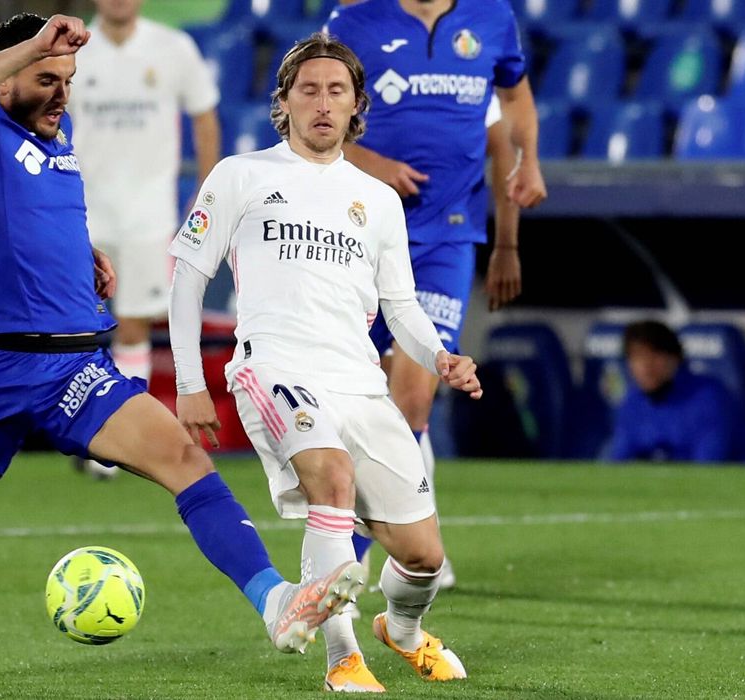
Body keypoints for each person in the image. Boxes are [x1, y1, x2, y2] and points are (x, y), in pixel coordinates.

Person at [0, 14, 366, 688]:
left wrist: (85, 255)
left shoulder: (60, 134)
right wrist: (31, 48)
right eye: (46, 79)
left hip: (76, 366)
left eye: (68, 81)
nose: (61, 94)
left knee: (184, 457)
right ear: (6, 76)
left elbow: (36, 211)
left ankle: (275, 601)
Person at [170, 34, 482, 693]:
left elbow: (401, 308)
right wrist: (192, 384)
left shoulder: (379, 200)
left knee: (423, 557)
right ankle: (342, 659)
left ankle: (399, 630)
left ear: (355, 107)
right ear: (282, 103)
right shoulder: (240, 174)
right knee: (331, 480)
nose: (322, 103)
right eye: (307, 90)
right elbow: (186, 280)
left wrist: (440, 356)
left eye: (335, 91)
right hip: (274, 367)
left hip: (361, 382)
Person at [326, 0, 547, 587]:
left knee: (414, 400)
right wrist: (368, 159)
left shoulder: (491, 20)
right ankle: (413, 544)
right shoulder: (353, 24)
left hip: (444, 240)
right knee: (354, 397)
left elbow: (516, 103)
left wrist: (528, 165)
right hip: (358, 232)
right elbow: (310, 113)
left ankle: (354, 559)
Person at [68, 0, 221, 478]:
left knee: (133, 324)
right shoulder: (73, 52)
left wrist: (206, 191)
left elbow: (205, 115)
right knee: (75, 328)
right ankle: (81, 429)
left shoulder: (173, 48)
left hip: (149, 214)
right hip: (81, 210)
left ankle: (121, 445)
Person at [608, 321, 745, 463]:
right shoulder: (633, 400)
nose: (646, 367)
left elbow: (709, 466)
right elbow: (617, 462)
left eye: (654, 356)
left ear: (675, 358)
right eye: (637, 357)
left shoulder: (709, 397)